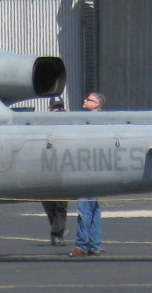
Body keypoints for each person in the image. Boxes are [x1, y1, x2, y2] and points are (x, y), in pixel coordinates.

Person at [70, 92, 106, 257]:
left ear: (96, 105)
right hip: (98, 169)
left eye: (88, 99)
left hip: (88, 169)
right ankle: (94, 244)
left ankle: (82, 245)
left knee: (84, 208)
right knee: (93, 209)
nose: (84, 100)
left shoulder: (91, 123)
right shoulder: (102, 123)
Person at [41, 96, 69, 247]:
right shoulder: (42, 125)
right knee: (47, 204)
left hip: (62, 170)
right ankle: (58, 229)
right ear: (50, 109)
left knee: (60, 204)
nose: (58, 110)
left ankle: (57, 234)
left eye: (60, 107)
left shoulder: (68, 124)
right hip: (45, 168)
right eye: (55, 107)